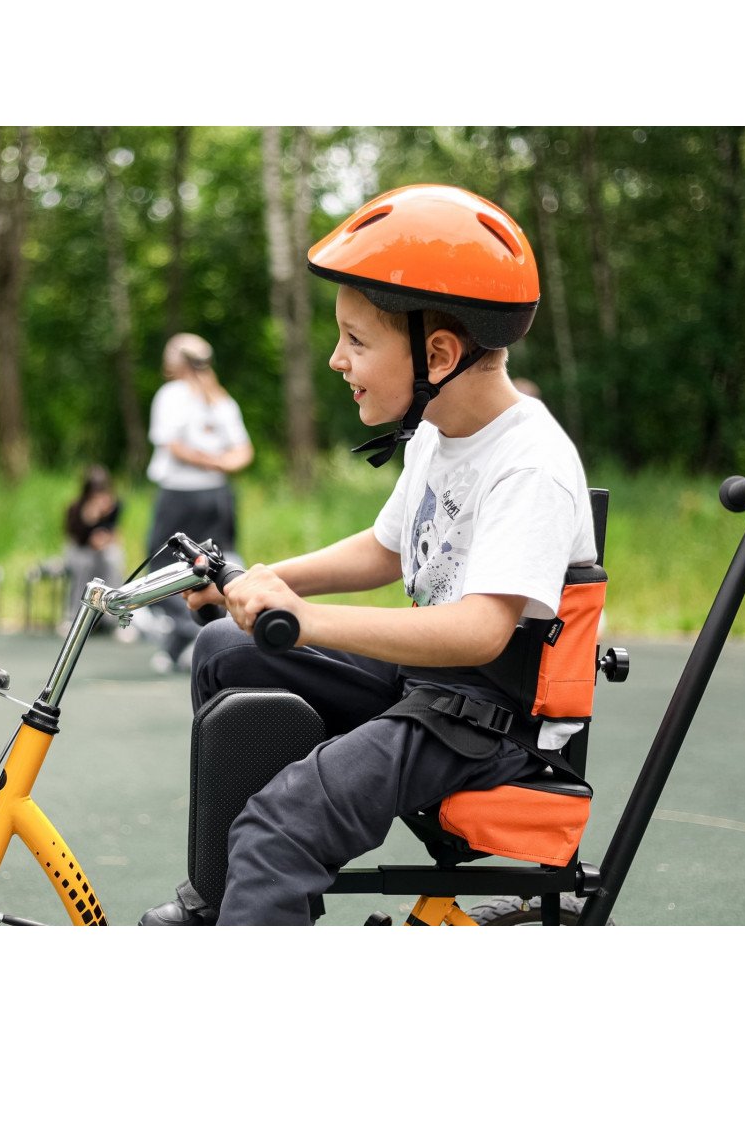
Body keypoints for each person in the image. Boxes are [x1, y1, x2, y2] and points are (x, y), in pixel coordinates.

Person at [140, 183, 597, 926]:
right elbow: (386, 549)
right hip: (434, 688)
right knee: (225, 648)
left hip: (485, 725)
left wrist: (304, 619)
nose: (336, 359)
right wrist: (263, 583)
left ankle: (258, 893)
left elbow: (481, 631)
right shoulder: (439, 435)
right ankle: (221, 901)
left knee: (279, 828)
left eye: (355, 340)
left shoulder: (529, 463)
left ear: (438, 355)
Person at [144, 332, 253, 673]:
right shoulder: (222, 399)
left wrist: (207, 462)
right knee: (218, 563)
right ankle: (190, 641)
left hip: (180, 495)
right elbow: (242, 452)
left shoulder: (172, 395)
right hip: (218, 494)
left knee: (160, 568)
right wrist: (221, 464)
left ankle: (202, 633)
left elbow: (172, 445)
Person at [62, 464, 125, 630]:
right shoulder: (76, 508)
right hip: (80, 550)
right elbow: (75, 536)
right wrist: (90, 517)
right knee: (85, 564)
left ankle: (112, 617)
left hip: (103, 552)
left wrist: (106, 538)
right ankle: (74, 616)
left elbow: (114, 532)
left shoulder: (115, 505)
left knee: (114, 560)